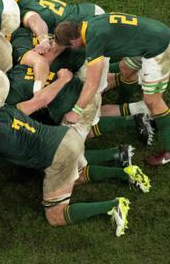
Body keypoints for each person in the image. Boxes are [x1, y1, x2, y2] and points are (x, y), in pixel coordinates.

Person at [0, 104, 151, 236]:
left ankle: (113, 206)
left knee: (56, 216)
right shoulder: (5, 110)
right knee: (74, 178)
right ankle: (126, 172)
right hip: (68, 137)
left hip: (58, 156)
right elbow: (37, 101)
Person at [54, 14, 170, 165]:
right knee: (125, 69)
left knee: (152, 101)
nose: (72, 49)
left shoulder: (94, 40)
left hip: (159, 47)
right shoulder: (89, 24)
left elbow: (92, 83)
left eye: (69, 46)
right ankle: (123, 102)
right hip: (150, 36)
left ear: (74, 40)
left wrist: (76, 111)